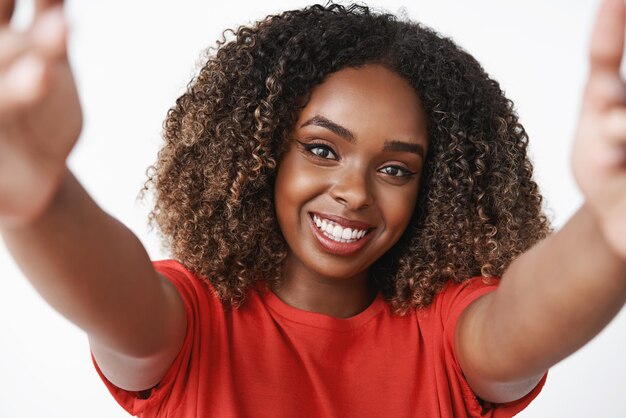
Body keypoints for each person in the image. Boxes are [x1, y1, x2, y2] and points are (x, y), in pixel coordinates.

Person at [1, 0, 625, 417]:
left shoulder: (447, 341)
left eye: (394, 169)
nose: (355, 192)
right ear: (265, 152)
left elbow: (528, 319)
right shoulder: (190, 324)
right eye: (323, 149)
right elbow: (112, 296)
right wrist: (41, 199)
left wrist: (607, 229)